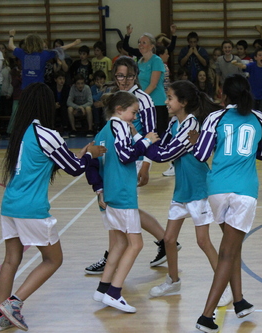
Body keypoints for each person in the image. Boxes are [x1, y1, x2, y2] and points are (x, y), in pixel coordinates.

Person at [0, 82, 106, 331]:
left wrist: (81, 154)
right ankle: (14, 304)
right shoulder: (46, 133)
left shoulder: (21, 133)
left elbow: (56, 161)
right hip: (31, 209)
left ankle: (1, 316)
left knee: (11, 260)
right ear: (46, 105)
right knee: (53, 259)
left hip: (9, 205)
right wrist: (91, 155)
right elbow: (76, 168)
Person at [84, 56, 176, 275]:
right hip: (114, 159)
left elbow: (151, 133)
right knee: (121, 207)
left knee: (113, 204)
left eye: (128, 76)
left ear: (136, 75)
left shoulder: (142, 99)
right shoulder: (117, 96)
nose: (123, 80)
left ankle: (112, 256)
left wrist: (146, 165)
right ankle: (164, 240)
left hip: (130, 159)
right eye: (119, 75)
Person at [190, 74, 262, 333]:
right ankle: (206, 316)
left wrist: (195, 141)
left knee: (231, 249)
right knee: (228, 252)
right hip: (244, 192)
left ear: (224, 94)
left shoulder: (214, 118)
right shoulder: (259, 118)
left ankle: (239, 301)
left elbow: (201, 154)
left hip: (217, 191)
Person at [145, 80, 231, 306]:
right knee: (169, 239)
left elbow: (164, 154)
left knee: (203, 241)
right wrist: (147, 142)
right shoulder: (174, 122)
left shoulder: (191, 126)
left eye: (170, 98)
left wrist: (141, 140)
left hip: (199, 190)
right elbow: (161, 146)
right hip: (182, 190)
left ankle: (223, 286)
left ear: (182, 102)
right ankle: (173, 281)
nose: (166, 101)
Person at [88, 91, 159, 313]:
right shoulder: (118, 126)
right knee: (136, 244)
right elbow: (126, 155)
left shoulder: (103, 130)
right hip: (123, 193)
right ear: (120, 110)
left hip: (110, 193)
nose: (135, 117)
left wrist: (139, 136)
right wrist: (147, 140)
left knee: (118, 243)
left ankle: (102, 289)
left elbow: (93, 164)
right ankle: (114, 292)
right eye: (133, 112)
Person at [8, 30, 80, 89]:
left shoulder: (22, 53)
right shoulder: (43, 54)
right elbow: (60, 49)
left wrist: (11, 35)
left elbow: (10, 46)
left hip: (26, 88)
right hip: (39, 87)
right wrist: (74, 43)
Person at [137, 33, 168, 136]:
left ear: (151, 46)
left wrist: (140, 98)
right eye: (139, 42)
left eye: (144, 43)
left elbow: (153, 85)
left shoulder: (156, 60)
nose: (140, 45)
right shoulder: (140, 62)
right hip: (145, 104)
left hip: (157, 103)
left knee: (159, 134)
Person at [50, 71, 71, 137]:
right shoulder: (51, 88)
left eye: (63, 79)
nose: (62, 81)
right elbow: (49, 99)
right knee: (51, 109)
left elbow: (67, 100)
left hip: (63, 105)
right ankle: (51, 128)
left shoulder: (67, 88)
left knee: (64, 109)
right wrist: (54, 104)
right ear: (55, 80)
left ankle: (65, 129)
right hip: (54, 105)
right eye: (60, 79)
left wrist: (60, 105)